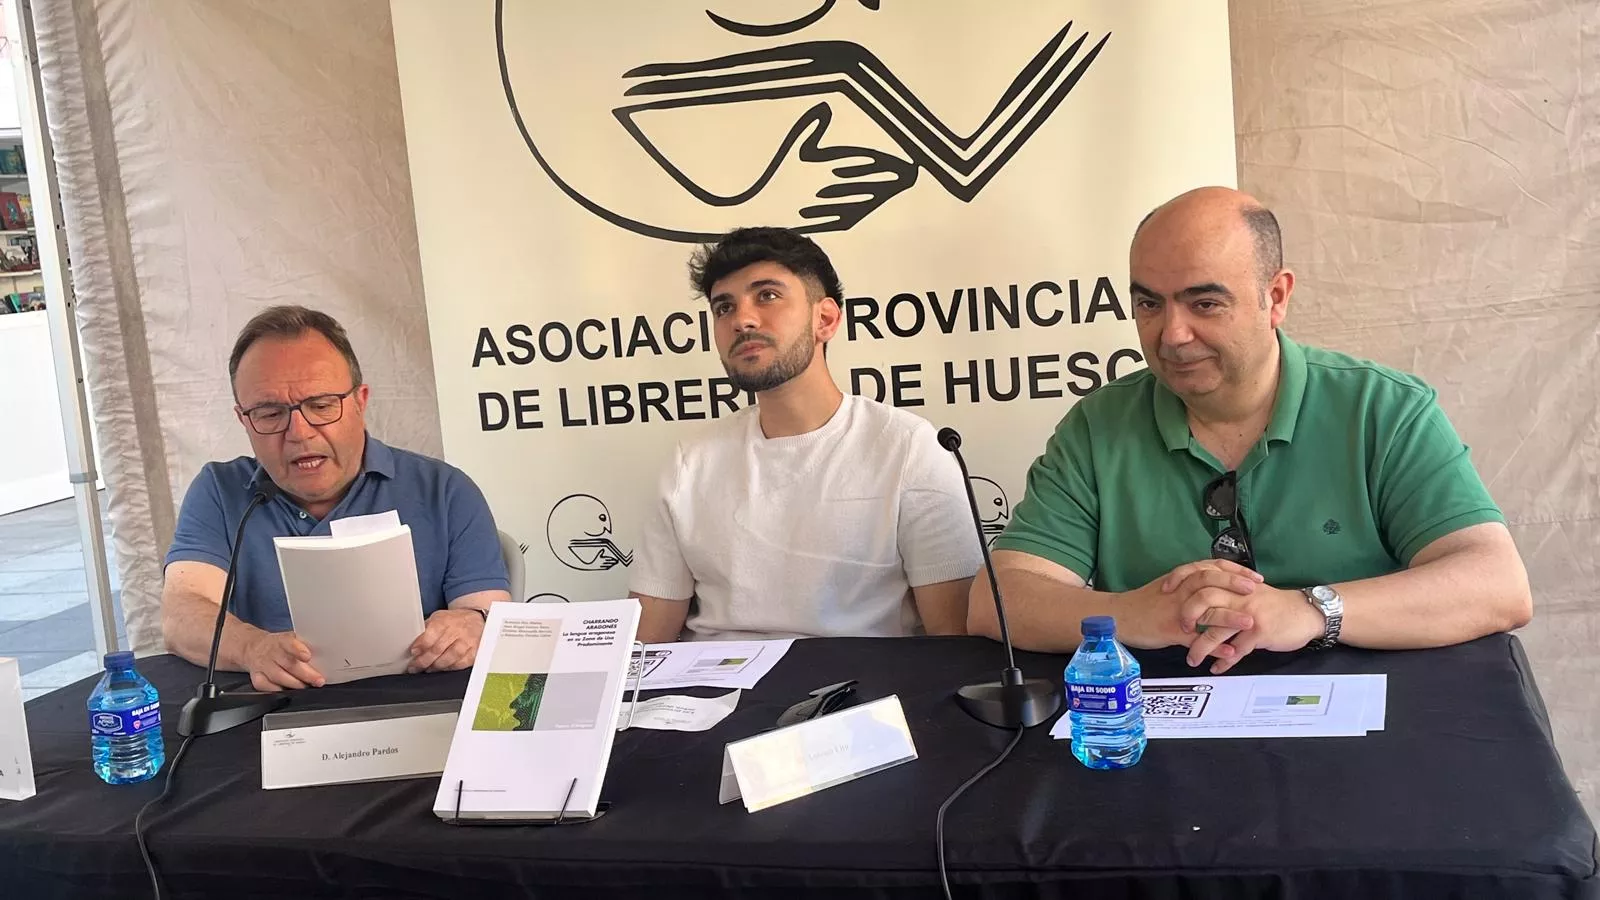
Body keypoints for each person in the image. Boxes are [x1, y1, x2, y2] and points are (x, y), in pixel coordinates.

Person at [974, 187, 1531, 672]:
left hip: (1366, 730)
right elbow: (996, 601)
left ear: (1277, 297)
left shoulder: (1383, 408)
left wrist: (1310, 610)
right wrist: (1135, 614)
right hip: (1164, 736)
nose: (1172, 334)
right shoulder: (1098, 426)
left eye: (1206, 302)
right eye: (1149, 303)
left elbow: (1497, 584)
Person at [630, 227, 980, 642]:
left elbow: (954, 642)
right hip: (708, 698)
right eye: (724, 307)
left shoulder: (908, 449)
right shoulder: (691, 460)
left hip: (858, 694)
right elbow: (645, 646)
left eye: (767, 296)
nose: (742, 319)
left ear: (825, 319)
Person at [161, 306, 510, 691]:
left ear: (360, 401)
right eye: (270, 413)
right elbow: (181, 615)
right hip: (269, 716)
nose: (299, 432)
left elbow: (491, 617)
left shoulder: (444, 490)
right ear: (244, 419)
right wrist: (253, 648)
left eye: (321, 405)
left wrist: (472, 622)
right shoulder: (219, 490)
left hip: (415, 710)